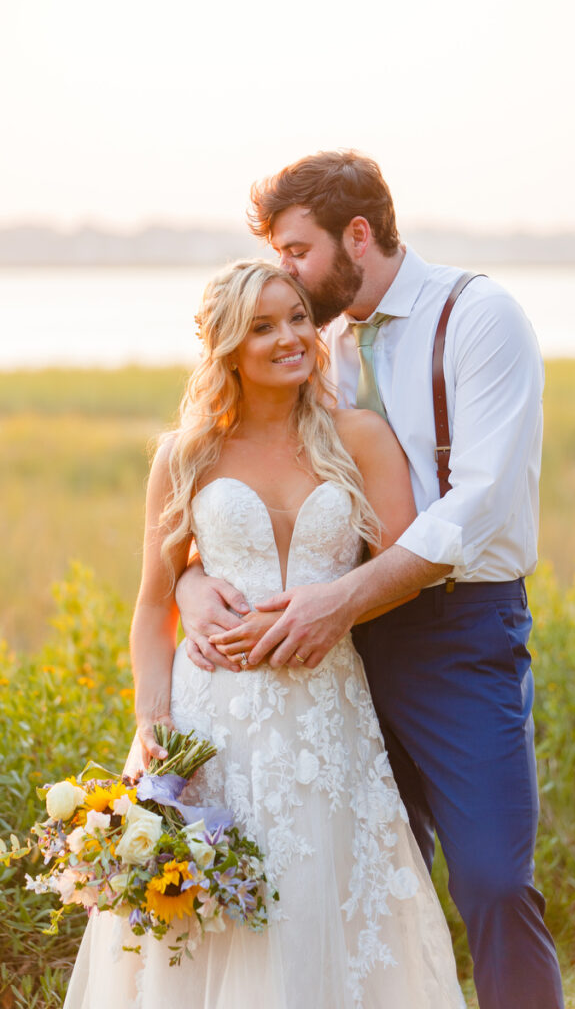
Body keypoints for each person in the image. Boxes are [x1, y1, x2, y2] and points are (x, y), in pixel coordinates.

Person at [177, 151, 565, 1009]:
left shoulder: (478, 315)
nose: (286, 274)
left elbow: (481, 505)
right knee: (361, 888)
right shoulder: (316, 342)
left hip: (455, 630)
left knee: (494, 880)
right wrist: (190, 583)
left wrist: (340, 600)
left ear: (358, 235)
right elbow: (263, 492)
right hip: (331, 656)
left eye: (296, 249)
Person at [64, 259, 464, 1009]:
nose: (290, 338)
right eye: (262, 326)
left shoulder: (360, 437)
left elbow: (408, 568)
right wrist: (154, 721)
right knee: (214, 913)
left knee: (333, 901)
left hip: (326, 713)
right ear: (226, 348)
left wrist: (332, 610)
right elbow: (153, 606)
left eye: (298, 319)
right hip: (211, 721)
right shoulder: (187, 453)